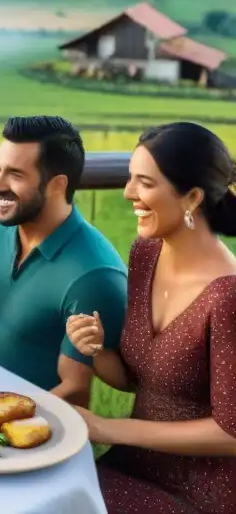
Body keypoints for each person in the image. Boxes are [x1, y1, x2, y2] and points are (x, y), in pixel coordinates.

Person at [67, 122, 236, 514]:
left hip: (201, 490)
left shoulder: (227, 296)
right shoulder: (145, 254)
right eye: (130, 179)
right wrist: (97, 351)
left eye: (144, 182)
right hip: (132, 463)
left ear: (192, 197)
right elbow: (137, 381)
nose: (128, 193)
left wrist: (107, 427)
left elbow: (231, 432)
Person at [0, 115, 128, 405]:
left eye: (15, 175)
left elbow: (74, 389)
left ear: (57, 185)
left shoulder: (93, 276)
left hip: (40, 433)